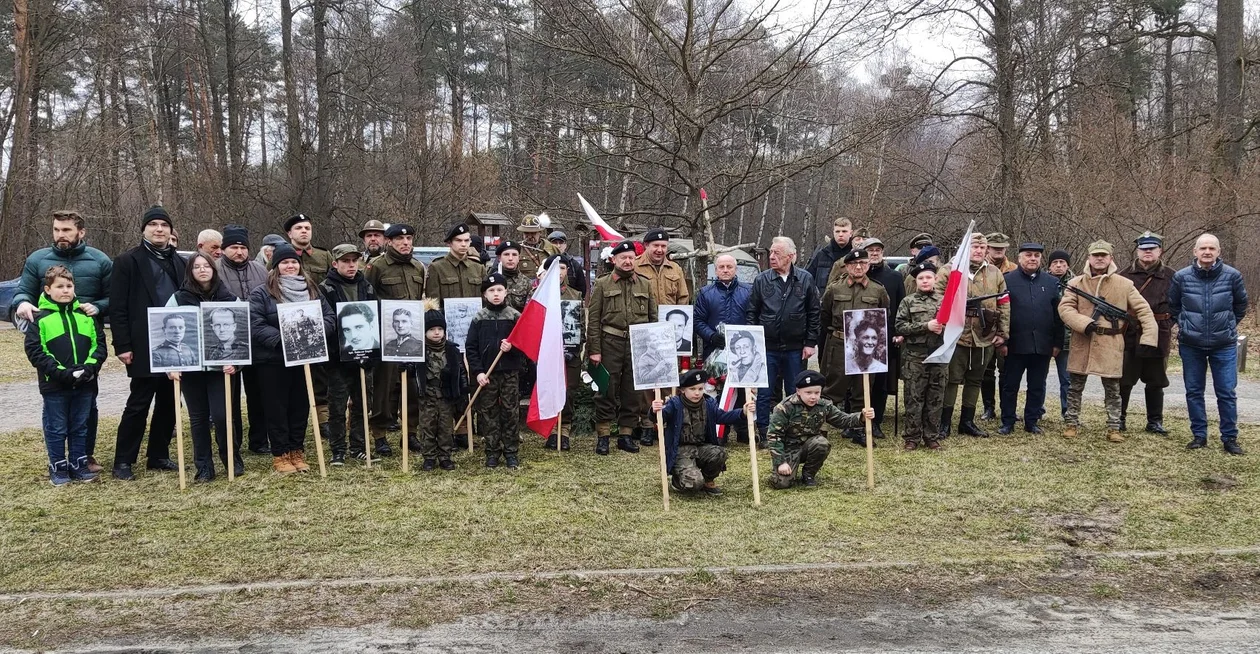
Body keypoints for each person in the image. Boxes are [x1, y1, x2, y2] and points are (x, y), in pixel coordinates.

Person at [12, 210, 113, 473]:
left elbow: (115, 297)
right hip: (54, 346)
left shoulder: (99, 260)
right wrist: (22, 302)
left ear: (81, 232)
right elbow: (23, 290)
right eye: (56, 230)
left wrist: (99, 307)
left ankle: (85, 456)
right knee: (56, 409)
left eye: (66, 230)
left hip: (86, 344)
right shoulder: (37, 259)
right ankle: (57, 461)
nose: (60, 235)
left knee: (87, 406)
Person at [109, 205, 186, 480]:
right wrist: (123, 345)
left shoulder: (180, 261)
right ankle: (123, 461)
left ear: (170, 230)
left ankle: (158, 455)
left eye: (164, 225)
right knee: (139, 403)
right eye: (153, 224)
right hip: (142, 344)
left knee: (169, 401)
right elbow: (117, 307)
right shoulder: (127, 261)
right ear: (143, 229)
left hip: (175, 343)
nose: (159, 229)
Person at [1058, 240, 1158, 443]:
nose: (1100, 258)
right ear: (1089, 258)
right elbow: (1065, 309)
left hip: (1111, 342)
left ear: (1110, 258)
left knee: (1113, 389)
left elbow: (1143, 310)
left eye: (1104, 255)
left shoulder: (1124, 284)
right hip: (1083, 340)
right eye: (1096, 255)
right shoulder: (1076, 283)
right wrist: (1084, 323)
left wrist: (1148, 337)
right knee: (1075, 387)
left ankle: (1114, 427)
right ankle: (1071, 423)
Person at [249, 245, 335, 474]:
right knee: (276, 407)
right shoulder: (262, 292)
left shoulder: (312, 290)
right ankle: (280, 453)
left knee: (300, 406)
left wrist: (315, 334)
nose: (290, 266)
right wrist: (285, 340)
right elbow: (255, 324)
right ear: (275, 266)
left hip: (304, 359)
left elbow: (328, 318)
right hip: (273, 360)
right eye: (285, 263)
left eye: (294, 262)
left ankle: (297, 450)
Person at [25, 265, 106, 485]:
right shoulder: (40, 319)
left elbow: (99, 347)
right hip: (55, 386)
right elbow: (36, 351)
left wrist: (88, 369)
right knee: (57, 427)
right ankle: (58, 466)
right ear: (48, 289)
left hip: (84, 384)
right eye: (59, 286)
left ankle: (79, 464)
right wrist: (61, 373)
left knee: (81, 425)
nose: (65, 290)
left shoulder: (86, 317)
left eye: (69, 286)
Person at [1169, 233, 1249, 455]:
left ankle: (1230, 438)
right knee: (1194, 391)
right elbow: (1174, 306)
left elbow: (1241, 305)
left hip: (1223, 344)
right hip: (1191, 344)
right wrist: (1185, 325)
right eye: (1202, 248)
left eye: (1211, 248)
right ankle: (1199, 435)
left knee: (1226, 391)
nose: (1207, 252)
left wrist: (1228, 324)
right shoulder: (1182, 277)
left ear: (1218, 252)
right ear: (1195, 252)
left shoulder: (1232, 276)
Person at [172, 254, 242, 482]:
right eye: (197, 267)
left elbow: (243, 333)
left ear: (213, 269)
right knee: (198, 418)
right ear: (190, 271)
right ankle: (203, 466)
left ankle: (231, 458)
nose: (202, 270)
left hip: (220, 369)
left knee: (222, 416)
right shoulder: (178, 299)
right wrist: (170, 366)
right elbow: (163, 328)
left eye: (206, 266)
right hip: (191, 369)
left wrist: (237, 362)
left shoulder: (229, 298)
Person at [934, 232, 1009, 439]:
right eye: (974, 247)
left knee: (975, 379)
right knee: (951, 379)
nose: (978, 251)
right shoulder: (949, 271)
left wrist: (1003, 333)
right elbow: (936, 297)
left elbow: (1004, 303)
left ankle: (967, 421)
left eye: (982, 247)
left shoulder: (995, 273)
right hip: (956, 335)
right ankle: (944, 422)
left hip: (984, 335)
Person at [746, 237, 820, 444]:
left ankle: (795, 430)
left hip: (796, 347)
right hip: (766, 347)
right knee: (764, 391)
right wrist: (754, 342)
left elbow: (814, 312)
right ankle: (763, 430)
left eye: (777, 253)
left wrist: (810, 342)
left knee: (796, 389)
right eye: (771, 253)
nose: (772, 257)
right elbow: (752, 312)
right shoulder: (762, 280)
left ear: (790, 256)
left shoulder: (805, 279)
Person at [587, 240, 657, 455]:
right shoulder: (602, 284)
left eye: (631, 258)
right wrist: (594, 350)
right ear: (614, 260)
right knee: (605, 388)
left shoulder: (645, 284)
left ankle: (626, 435)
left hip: (637, 345)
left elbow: (653, 318)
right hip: (610, 342)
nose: (627, 261)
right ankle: (604, 435)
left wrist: (652, 348)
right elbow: (594, 320)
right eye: (623, 258)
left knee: (632, 391)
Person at [366, 223, 427, 455]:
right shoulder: (377, 266)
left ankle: (410, 433)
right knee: (384, 388)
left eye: (409, 239)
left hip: (412, 338)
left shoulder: (418, 267)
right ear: (389, 242)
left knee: (412, 387)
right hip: (387, 336)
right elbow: (368, 300)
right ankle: (380, 435)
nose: (406, 243)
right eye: (400, 240)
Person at [818, 249, 888, 442]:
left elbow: (884, 315)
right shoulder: (834, 289)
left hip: (866, 347)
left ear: (868, 265)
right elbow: (824, 315)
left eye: (862, 264)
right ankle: (820, 428)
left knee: (862, 388)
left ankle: (858, 429)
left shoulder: (878, 290)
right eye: (853, 264)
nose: (858, 267)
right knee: (832, 387)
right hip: (839, 343)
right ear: (847, 266)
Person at [651, 369, 754, 495]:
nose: (697, 393)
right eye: (692, 389)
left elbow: (723, 417)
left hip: (701, 448)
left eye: (700, 389)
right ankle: (678, 480)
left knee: (719, 453)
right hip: (680, 452)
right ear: (683, 390)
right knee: (694, 484)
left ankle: (708, 480)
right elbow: (659, 417)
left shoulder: (709, 403)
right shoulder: (674, 404)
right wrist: (655, 409)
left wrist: (742, 412)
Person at [766, 370, 874, 488]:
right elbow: (774, 436)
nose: (813, 397)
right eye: (808, 392)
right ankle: (785, 469)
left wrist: (862, 417)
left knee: (822, 443)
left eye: (817, 392)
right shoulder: (785, 407)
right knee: (781, 484)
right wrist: (781, 462)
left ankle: (808, 474)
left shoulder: (824, 405)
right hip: (788, 449)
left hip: (810, 445)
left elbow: (843, 420)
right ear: (798, 391)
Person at [321, 244, 378, 464]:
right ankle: (338, 449)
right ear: (335, 264)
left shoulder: (367, 286)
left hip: (364, 357)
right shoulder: (325, 288)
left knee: (363, 404)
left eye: (354, 261)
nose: (351, 265)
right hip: (338, 360)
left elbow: (375, 318)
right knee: (337, 406)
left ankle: (358, 446)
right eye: (345, 261)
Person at [998, 243, 1063, 435]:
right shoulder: (1007, 280)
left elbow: (1058, 315)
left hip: (1042, 344)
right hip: (1015, 344)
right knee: (1010, 385)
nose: (1032, 258)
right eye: (1028, 255)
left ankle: (1031, 421)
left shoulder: (1051, 282)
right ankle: (1007, 421)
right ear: (1019, 258)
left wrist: (1057, 343)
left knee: (1037, 386)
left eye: (1036, 255)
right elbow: (1001, 312)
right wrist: (1003, 340)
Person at [216, 225, 270, 455]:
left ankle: (259, 440)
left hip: (258, 340)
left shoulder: (261, 270)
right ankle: (232, 441)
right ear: (224, 249)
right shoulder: (215, 269)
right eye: (233, 247)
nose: (239, 252)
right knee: (230, 394)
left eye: (242, 248)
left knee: (259, 393)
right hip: (229, 340)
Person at [467, 273, 526, 468]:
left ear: (506, 292)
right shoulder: (478, 318)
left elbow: (525, 344)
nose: (496, 294)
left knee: (510, 412)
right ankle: (492, 451)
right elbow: (471, 348)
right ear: (485, 295)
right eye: (491, 291)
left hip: (509, 372)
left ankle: (511, 451)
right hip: (487, 374)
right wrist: (478, 372)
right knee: (489, 413)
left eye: (499, 290)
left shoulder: (514, 316)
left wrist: (513, 347)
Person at [1117, 232, 1174, 434]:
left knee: (1156, 381)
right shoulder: (1123, 276)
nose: (1147, 252)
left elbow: (1178, 306)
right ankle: (1119, 419)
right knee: (1124, 380)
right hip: (1130, 334)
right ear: (1138, 251)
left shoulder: (1172, 276)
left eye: (1152, 248)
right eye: (1144, 248)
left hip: (1159, 334)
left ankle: (1154, 421)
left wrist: (1166, 323)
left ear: (1160, 250)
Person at [852, 237, 904, 433]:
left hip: (883, 339)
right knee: (858, 382)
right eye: (870, 250)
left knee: (880, 383)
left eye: (878, 250)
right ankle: (856, 421)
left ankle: (877, 422)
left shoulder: (894, 277)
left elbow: (900, 307)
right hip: (857, 340)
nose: (874, 253)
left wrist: (898, 332)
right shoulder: (855, 276)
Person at [895, 262, 946, 450]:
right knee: (914, 398)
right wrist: (925, 326)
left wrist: (944, 329)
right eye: (921, 278)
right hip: (915, 357)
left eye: (928, 277)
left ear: (935, 279)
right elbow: (900, 326)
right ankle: (912, 437)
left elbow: (957, 325)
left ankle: (931, 436)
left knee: (935, 396)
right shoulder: (908, 302)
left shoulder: (944, 301)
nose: (925, 281)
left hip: (938, 356)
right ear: (916, 281)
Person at [415, 301, 468, 470]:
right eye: (431, 329)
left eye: (439, 329)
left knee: (445, 427)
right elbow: (412, 372)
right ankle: (429, 457)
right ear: (425, 332)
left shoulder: (452, 350)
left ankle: (445, 456)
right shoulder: (419, 350)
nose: (436, 333)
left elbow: (460, 371)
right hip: (427, 395)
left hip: (446, 395)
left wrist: (463, 390)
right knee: (427, 427)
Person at [978, 232, 1017, 420]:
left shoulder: (1015, 270)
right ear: (987, 248)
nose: (998, 250)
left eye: (1001, 248)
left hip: (1004, 328)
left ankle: (1007, 409)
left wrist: (1005, 331)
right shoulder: (980, 270)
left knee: (1006, 371)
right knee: (986, 371)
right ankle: (988, 408)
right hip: (983, 328)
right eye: (994, 247)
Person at [546, 256, 583, 451]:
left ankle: (565, 430)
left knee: (569, 391)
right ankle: (552, 430)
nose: (559, 272)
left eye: (562, 268)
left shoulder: (575, 295)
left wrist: (577, 346)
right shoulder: (539, 294)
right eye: (555, 268)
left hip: (571, 352)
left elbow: (581, 324)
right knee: (550, 389)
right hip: (548, 353)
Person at [693, 254, 752, 359]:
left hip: (742, 350)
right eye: (721, 267)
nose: (725, 270)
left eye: (729, 267)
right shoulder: (705, 293)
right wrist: (711, 336)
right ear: (716, 270)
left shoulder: (748, 292)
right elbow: (697, 321)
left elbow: (754, 318)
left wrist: (746, 337)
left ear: (735, 269)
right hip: (714, 350)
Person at [425, 223, 486, 306]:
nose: (463, 244)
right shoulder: (437, 268)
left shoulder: (479, 268)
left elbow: (485, 299)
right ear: (449, 243)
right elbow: (433, 303)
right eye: (458, 240)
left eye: (466, 240)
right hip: (446, 317)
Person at [1047, 249, 1073, 419]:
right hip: (1045, 338)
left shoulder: (1076, 284)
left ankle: (1068, 412)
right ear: (1049, 266)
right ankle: (1037, 411)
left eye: (1062, 263)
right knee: (1038, 380)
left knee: (1067, 380)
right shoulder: (1042, 282)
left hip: (1068, 339)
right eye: (1055, 263)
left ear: (1067, 265)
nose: (1058, 266)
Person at [805, 217, 854, 293]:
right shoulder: (822, 254)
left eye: (844, 231)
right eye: (837, 231)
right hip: (823, 301)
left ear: (851, 233)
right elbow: (807, 279)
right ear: (833, 232)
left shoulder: (856, 256)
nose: (840, 234)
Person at [284, 214, 333, 285]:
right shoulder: (281, 255)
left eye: (307, 228)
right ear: (290, 234)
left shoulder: (324, 255)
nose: (304, 231)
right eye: (298, 228)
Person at [516, 214, 561, 278]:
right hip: (525, 287)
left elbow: (562, 271)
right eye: (526, 233)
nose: (529, 236)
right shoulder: (516, 250)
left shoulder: (552, 249)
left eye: (533, 233)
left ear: (540, 232)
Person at [494, 240, 534, 311]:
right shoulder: (491, 281)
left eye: (514, 255)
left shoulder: (527, 283)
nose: (510, 258)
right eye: (506, 254)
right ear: (499, 258)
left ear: (519, 258)